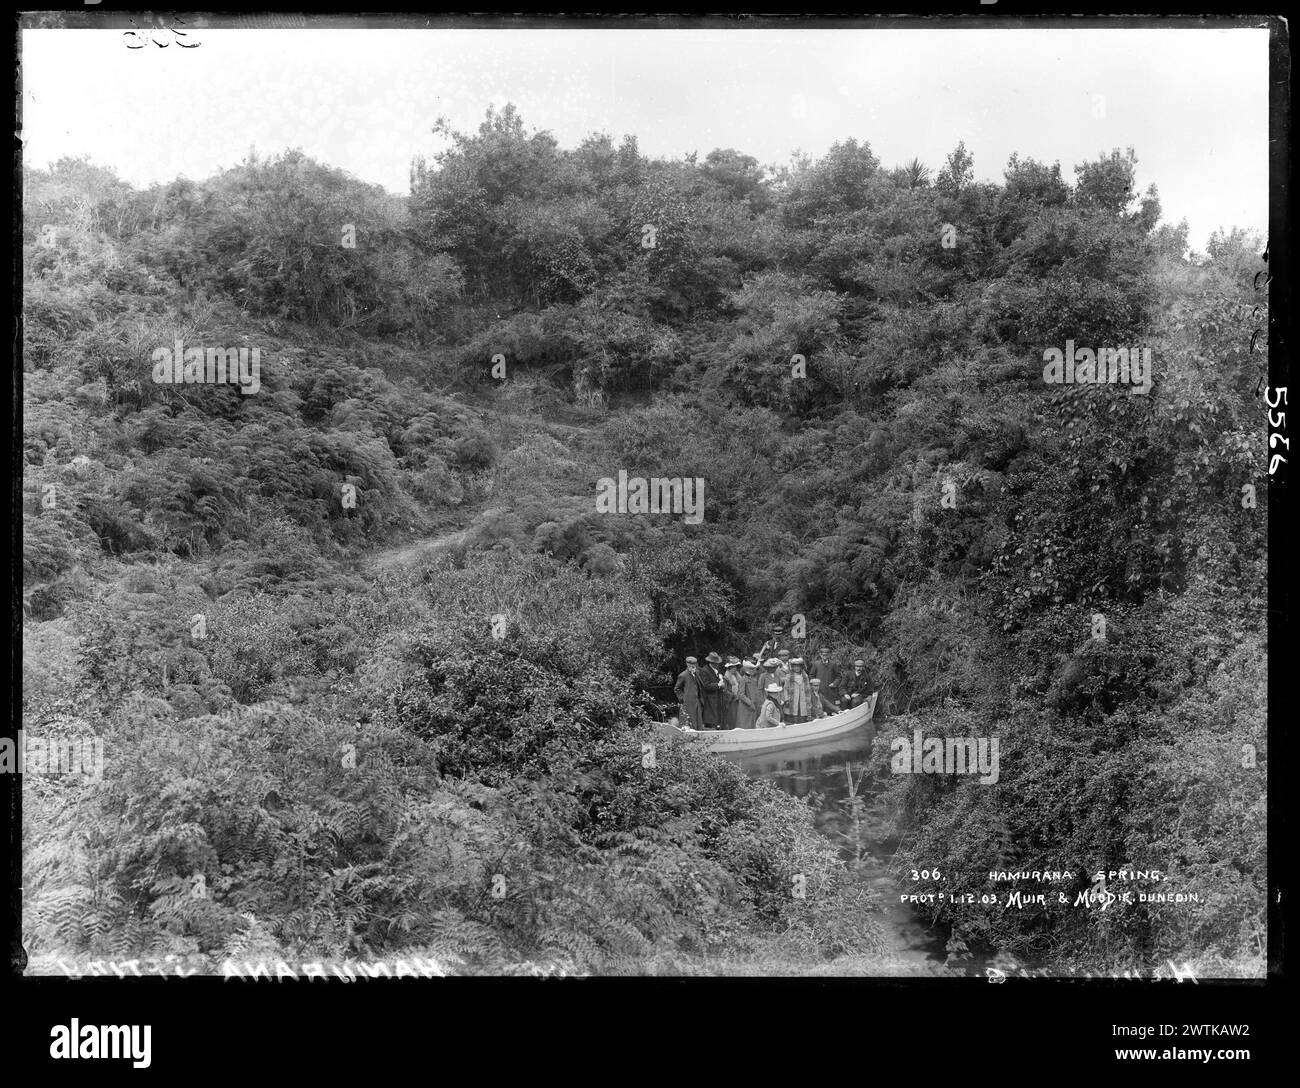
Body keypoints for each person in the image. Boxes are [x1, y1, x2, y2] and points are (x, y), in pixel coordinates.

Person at [783, 657, 816, 723]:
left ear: (801, 667)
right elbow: (785, 689)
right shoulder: (789, 676)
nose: (797, 668)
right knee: (793, 718)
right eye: (795, 666)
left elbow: (808, 690)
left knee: (802, 717)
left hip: (803, 700)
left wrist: (809, 700)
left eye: (798, 666)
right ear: (792, 667)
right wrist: (786, 699)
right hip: (792, 700)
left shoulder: (805, 676)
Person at [699, 652, 726, 729]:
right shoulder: (704, 670)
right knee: (710, 722)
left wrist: (722, 684)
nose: (717, 664)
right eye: (716, 663)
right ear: (711, 662)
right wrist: (718, 685)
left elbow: (719, 683)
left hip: (717, 699)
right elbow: (706, 686)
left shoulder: (716, 670)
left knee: (717, 722)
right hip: (709, 701)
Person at [673, 656, 703, 729]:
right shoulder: (683, 675)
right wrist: (683, 699)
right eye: (691, 664)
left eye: (694, 664)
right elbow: (677, 689)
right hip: (688, 703)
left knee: (698, 721)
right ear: (687, 664)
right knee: (689, 721)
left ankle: (698, 735)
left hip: (696, 701)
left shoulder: (697, 673)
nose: (693, 666)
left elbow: (700, 686)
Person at [735, 659, 764, 729]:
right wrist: (750, 703)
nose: (754, 670)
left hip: (754, 706)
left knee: (753, 724)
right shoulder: (743, 680)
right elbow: (741, 694)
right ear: (747, 670)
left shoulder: (754, 679)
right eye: (752, 669)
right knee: (745, 725)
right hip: (746, 707)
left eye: (754, 669)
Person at [722, 656, 743, 728]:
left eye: (735, 667)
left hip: (738, 699)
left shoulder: (737, 675)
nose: (735, 668)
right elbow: (724, 690)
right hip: (730, 701)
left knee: (738, 716)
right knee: (731, 716)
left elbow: (740, 685)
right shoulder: (725, 677)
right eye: (733, 667)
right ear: (729, 668)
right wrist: (732, 695)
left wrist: (739, 694)